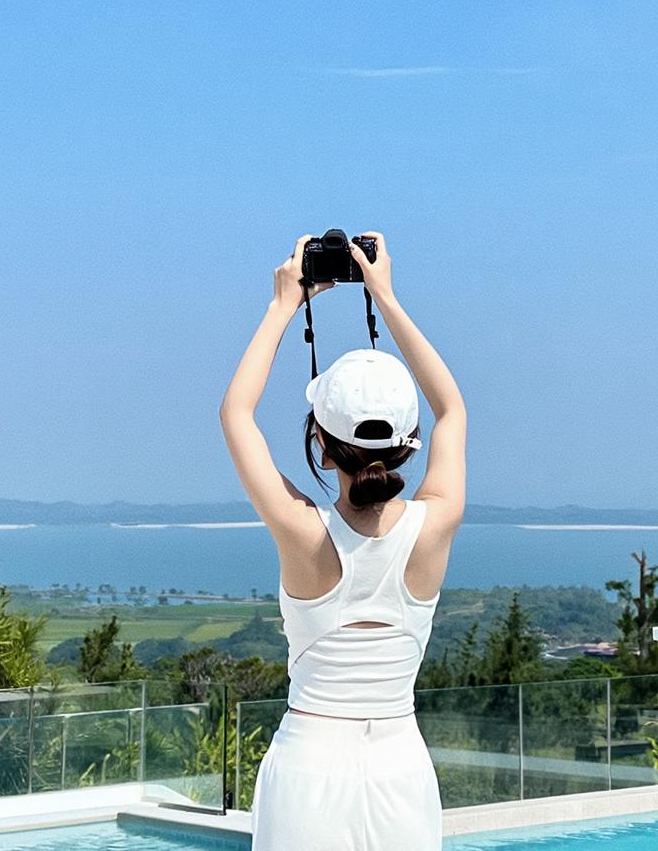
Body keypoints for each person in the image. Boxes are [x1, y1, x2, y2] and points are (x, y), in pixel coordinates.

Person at [219, 231, 466, 851]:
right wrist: (385, 296)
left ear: (321, 446)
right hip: (400, 767)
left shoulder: (303, 532)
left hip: (309, 767)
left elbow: (237, 413)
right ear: (408, 445)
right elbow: (453, 410)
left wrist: (284, 303)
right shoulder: (434, 524)